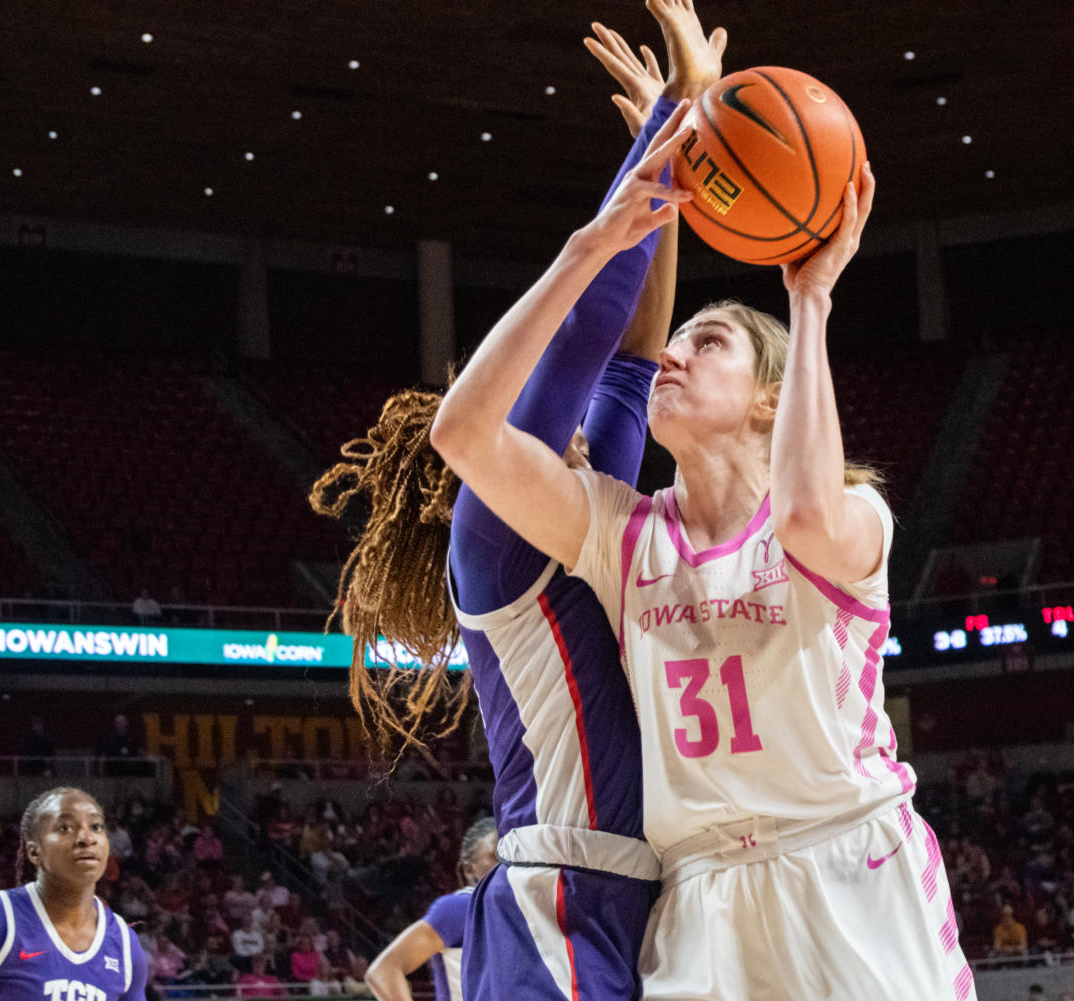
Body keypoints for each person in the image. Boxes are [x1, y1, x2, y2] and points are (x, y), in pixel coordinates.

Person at [437, 16, 970, 999]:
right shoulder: (622, 529)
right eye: (678, 339)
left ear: (770, 396)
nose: (672, 353)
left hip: (848, 863)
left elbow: (804, 513)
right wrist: (599, 238)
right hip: (700, 896)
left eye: (711, 339)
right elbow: (465, 435)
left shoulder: (852, 521)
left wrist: (809, 300)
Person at [310, 4, 725, 999]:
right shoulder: (494, 538)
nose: (567, 413)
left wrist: (662, 166)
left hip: (648, 892)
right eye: (537, 410)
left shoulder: (583, 509)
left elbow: (630, 360)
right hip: (557, 900)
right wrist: (674, 115)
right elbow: (587, 330)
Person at [0, 787, 147, 1001]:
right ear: (34, 851)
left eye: (96, 826)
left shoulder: (125, 944)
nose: (86, 838)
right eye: (65, 827)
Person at [365, 818, 499, 1001]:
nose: (505, 864)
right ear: (469, 869)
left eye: (511, 855)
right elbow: (384, 972)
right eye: (495, 856)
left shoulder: (527, 910)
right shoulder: (460, 908)